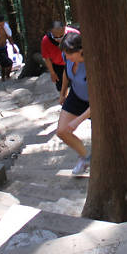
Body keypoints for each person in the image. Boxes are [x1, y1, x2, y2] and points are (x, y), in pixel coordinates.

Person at [57, 32, 91, 175]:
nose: (67, 56)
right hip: (76, 96)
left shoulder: (92, 64)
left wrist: (78, 120)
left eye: (69, 53)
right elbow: (66, 72)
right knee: (62, 131)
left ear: (81, 50)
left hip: (94, 102)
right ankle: (86, 158)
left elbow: (97, 100)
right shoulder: (68, 57)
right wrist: (63, 92)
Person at [41, 21, 79, 92]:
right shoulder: (45, 41)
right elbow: (46, 58)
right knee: (61, 88)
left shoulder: (74, 34)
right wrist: (52, 73)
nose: (59, 39)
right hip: (58, 66)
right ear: (51, 32)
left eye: (61, 36)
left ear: (65, 29)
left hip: (74, 63)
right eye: (55, 37)